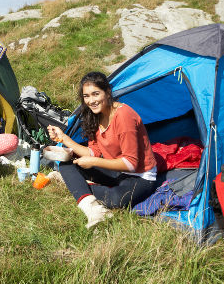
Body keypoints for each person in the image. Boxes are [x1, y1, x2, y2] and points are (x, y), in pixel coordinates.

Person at [47, 71, 157, 228]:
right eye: (86, 96)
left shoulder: (124, 116)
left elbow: (131, 163)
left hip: (140, 176)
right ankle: (93, 209)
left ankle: (76, 186)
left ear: (108, 92)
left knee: (116, 199)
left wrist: (94, 161)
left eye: (95, 94)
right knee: (66, 162)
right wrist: (64, 138)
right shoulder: (95, 115)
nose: (91, 101)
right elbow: (94, 152)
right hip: (116, 170)